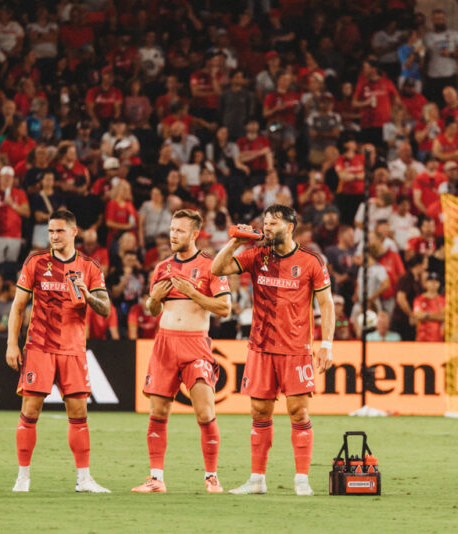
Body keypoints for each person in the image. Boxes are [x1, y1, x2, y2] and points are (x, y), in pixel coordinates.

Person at [212, 204, 334, 496]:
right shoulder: (257, 255)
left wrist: (327, 345)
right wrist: (235, 243)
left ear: (290, 227)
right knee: (259, 411)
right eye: (265, 222)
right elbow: (216, 269)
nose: (267, 227)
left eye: (274, 223)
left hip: (296, 349)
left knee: (298, 412)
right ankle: (257, 479)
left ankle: (301, 480)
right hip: (261, 347)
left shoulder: (311, 260)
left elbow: (326, 304)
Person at [6, 209, 112, 493]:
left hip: (73, 349)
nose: (54, 236)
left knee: (79, 413)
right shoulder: (36, 262)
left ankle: (84, 479)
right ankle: (23, 477)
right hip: (39, 346)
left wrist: (87, 296)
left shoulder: (90, 267)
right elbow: (18, 306)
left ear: (74, 232)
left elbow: (105, 309)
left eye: (60, 231)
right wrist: (12, 343)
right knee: (30, 410)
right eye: (51, 231)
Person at [131, 209, 231, 494]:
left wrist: (193, 293)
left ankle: (211, 477)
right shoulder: (162, 267)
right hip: (164, 343)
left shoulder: (211, 266)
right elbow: (153, 310)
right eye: (172, 229)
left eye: (180, 231)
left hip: (195, 344)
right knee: (158, 412)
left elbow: (224, 308)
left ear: (194, 233)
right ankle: (155, 478)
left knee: (205, 411)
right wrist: (154, 299)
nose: (173, 235)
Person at [413, 271, 445, 342]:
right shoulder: (419, 299)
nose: (433, 283)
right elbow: (418, 315)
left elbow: (444, 317)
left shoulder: (443, 300)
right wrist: (436, 316)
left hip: (438, 338)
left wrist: (426, 315)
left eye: (436, 281)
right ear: (426, 283)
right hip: (422, 338)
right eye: (431, 281)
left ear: (439, 284)